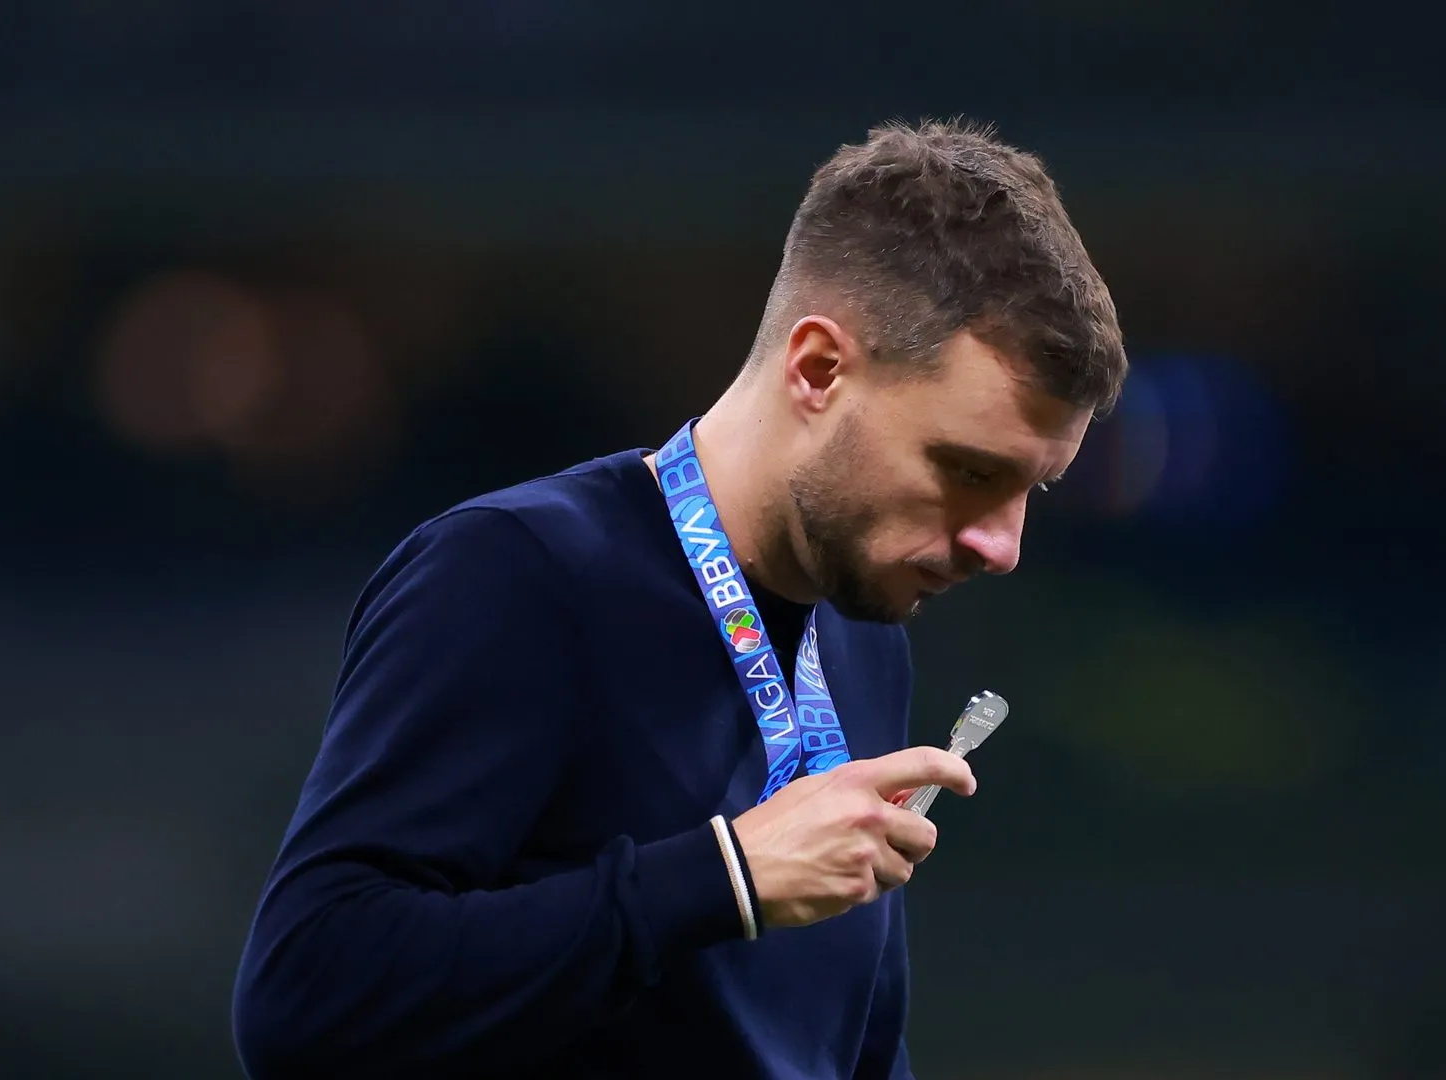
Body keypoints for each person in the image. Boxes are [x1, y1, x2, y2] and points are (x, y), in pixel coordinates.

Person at [230, 118, 1126, 1079]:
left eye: (1033, 488)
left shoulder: (863, 639)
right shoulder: (518, 574)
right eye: (966, 468)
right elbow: (305, 994)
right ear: (817, 368)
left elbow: (845, 1047)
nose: (1002, 545)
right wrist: (721, 878)